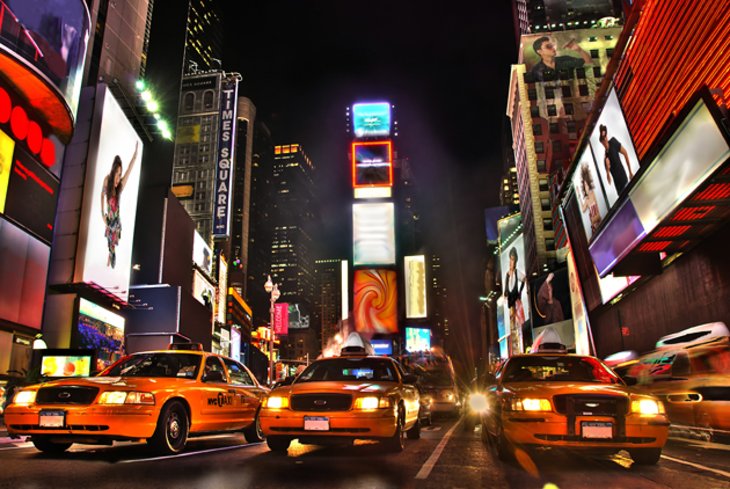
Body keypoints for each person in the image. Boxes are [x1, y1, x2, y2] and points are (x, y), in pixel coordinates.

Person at [101, 141, 139, 268]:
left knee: (112, 244)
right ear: (113, 173)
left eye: (120, 175)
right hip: (109, 220)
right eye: (117, 174)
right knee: (110, 242)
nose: (118, 178)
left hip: (116, 222)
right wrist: (103, 215)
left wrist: (134, 157)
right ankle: (110, 257)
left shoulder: (119, 188)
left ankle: (110, 258)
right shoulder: (107, 180)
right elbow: (101, 196)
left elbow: (129, 171)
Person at [503, 247, 528, 355]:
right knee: (512, 323)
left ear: (515, 261)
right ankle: (514, 349)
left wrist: (520, 291)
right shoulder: (507, 274)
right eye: (510, 260)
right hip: (510, 302)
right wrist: (505, 294)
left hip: (516, 301)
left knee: (518, 324)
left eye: (512, 260)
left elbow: (524, 279)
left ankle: (519, 348)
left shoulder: (517, 272)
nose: (511, 262)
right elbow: (505, 288)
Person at [599, 124, 634, 194]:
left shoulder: (613, 142)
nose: (605, 140)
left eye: (605, 136)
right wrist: (608, 170)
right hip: (619, 189)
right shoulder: (605, 158)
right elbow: (609, 181)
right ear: (601, 142)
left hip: (624, 180)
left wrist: (630, 171)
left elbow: (625, 153)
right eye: (603, 139)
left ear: (607, 135)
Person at [577, 162, 602, 234]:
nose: (586, 186)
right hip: (594, 226)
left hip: (599, 221)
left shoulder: (593, 194)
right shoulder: (586, 200)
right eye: (584, 185)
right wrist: (579, 196)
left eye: (586, 184)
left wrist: (597, 219)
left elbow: (597, 209)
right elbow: (583, 209)